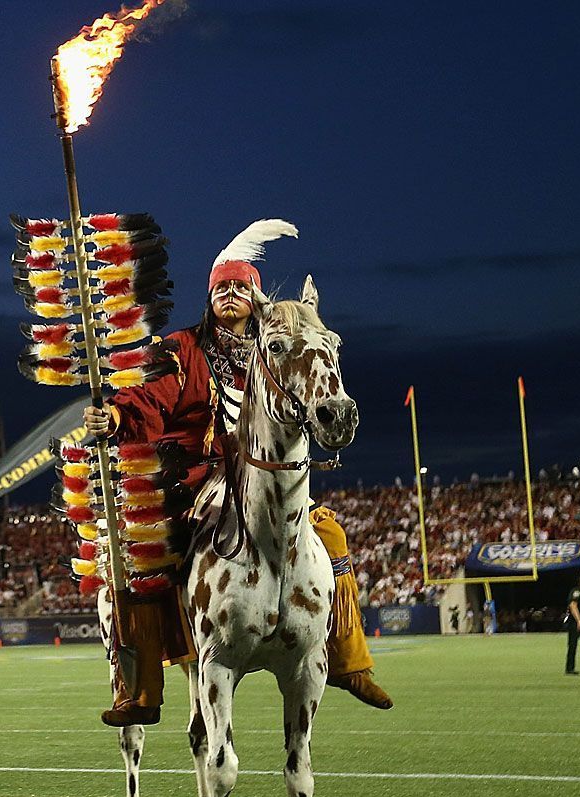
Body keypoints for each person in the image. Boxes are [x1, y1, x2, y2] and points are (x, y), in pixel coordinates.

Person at [82, 229, 389, 726]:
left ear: (256, 299)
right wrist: (115, 418)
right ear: (209, 297)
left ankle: (349, 662)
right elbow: (148, 397)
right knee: (139, 558)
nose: (229, 294)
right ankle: (140, 689)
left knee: (329, 532)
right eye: (220, 288)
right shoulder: (181, 349)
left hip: (264, 479)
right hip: (191, 479)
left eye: (240, 287)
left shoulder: (274, 354)